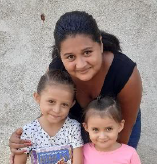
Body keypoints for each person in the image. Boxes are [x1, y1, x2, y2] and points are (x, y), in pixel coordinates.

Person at [9, 10, 143, 154]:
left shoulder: (125, 73)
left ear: (100, 44)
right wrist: (23, 142)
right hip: (75, 128)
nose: (81, 65)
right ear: (60, 55)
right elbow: (50, 118)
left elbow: (122, 139)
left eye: (87, 52)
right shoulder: (56, 72)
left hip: (116, 127)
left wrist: (110, 162)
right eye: (70, 57)